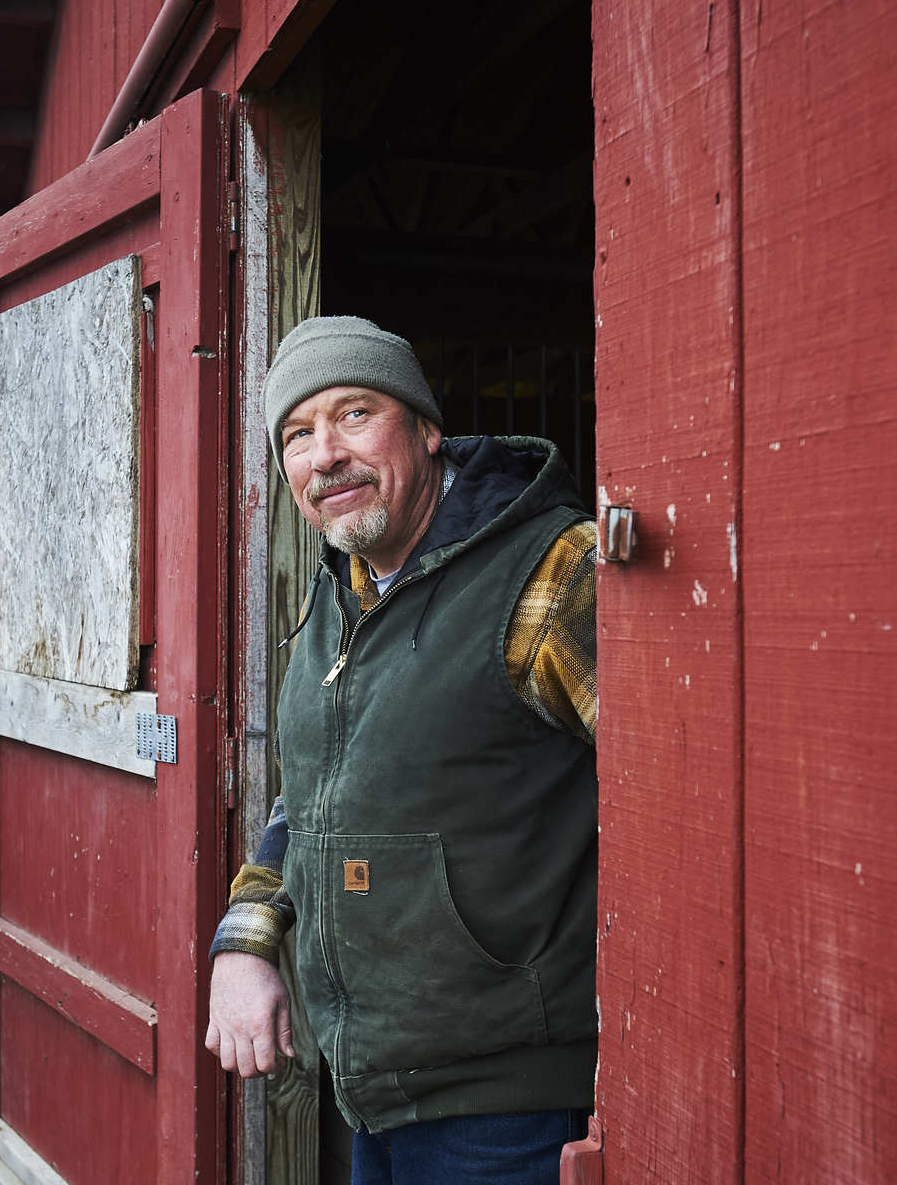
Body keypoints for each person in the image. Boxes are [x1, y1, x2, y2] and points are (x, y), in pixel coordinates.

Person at [203, 316, 599, 1184]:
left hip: (506, 1106)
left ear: (426, 430)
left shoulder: (552, 573)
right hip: (375, 1089)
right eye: (297, 435)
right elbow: (313, 796)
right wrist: (246, 942)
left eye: (354, 414)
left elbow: (682, 791)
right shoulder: (341, 592)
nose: (326, 455)